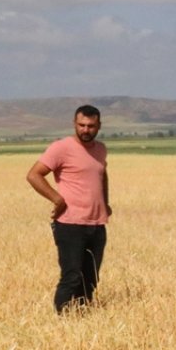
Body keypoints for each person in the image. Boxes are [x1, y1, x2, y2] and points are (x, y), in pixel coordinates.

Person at [26, 104, 112, 313]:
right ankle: (62, 321)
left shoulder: (100, 149)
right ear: (74, 124)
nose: (86, 130)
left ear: (99, 126)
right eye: (82, 125)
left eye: (91, 126)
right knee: (72, 275)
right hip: (69, 224)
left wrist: (105, 203)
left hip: (97, 224)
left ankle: (82, 316)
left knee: (90, 277)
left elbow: (102, 174)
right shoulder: (61, 148)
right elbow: (34, 175)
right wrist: (57, 200)